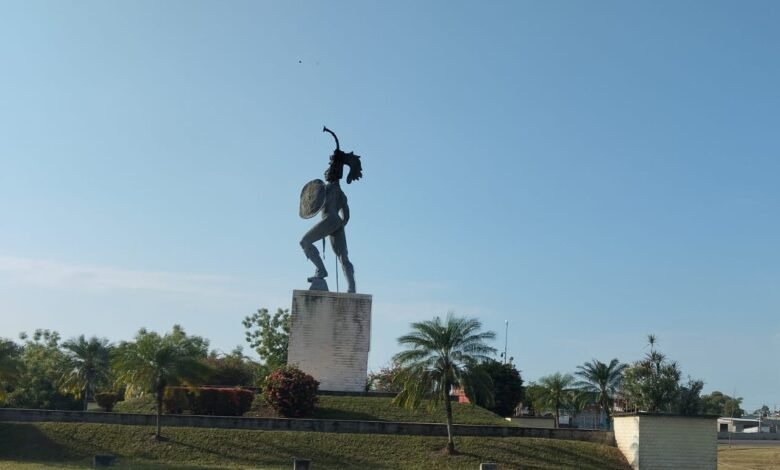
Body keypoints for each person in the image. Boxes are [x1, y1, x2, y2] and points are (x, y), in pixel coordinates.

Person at [299, 151, 358, 293]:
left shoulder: (325, 189)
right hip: (337, 223)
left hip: (329, 220)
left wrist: (332, 224)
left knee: (305, 241)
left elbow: (314, 201)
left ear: (330, 175)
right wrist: (339, 225)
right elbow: (347, 215)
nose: (325, 175)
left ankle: (321, 270)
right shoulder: (341, 193)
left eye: (327, 173)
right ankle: (351, 287)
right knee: (343, 257)